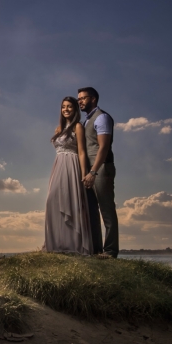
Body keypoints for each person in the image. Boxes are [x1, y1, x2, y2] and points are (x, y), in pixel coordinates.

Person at [43, 96, 93, 255]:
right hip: (58, 165)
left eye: (70, 106)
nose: (66, 109)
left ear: (75, 109)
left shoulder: (77, 127)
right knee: (53, 200)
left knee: (70, 200)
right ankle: (56, 243)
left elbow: (82, 151)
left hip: (72, 164)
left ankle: (73, 244)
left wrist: (84, 173)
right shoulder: (58, 129)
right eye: (63, 107)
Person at [77, 87, 118, 258]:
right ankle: (96, 250)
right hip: (90, 172)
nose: (79, 101)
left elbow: (103, 147)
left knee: (106, 210)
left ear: (93, 99)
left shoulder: (102, 118)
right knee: (92, 212)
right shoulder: (86, 121)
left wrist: (93, 172)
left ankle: (110, 251)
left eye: (83, 98)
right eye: (78, 98)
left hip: (101, 169)